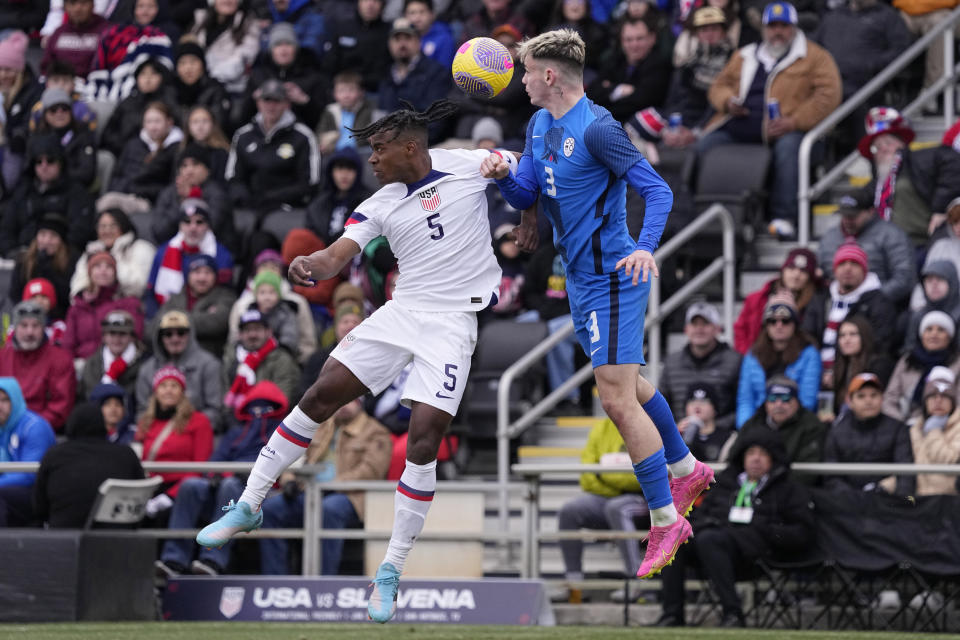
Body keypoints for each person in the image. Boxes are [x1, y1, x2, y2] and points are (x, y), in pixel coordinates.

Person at [195, 100, 526, 622]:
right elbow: (336, 255)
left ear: (410, 147)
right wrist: (307, 263)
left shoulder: (468, 163)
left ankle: (390, 569)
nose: (371, 159)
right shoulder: (382, 202)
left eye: (379, 148)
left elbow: (530, 175)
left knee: (423, 438)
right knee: (319, 394)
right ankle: (249, 503)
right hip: (403, 312)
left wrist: (518, 202)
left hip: (452, 324)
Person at [481, 28, 714, 583]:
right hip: (580, 278)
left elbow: (658, 191)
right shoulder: (539, 124)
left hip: (614, 274)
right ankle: (686, 467)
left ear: (550, 76)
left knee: (613, 398)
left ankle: (665, 519)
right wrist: (503, 177)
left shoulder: (598, 127)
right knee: (629, 385)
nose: (522, 81)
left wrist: (643, 248)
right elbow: (529, 195)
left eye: (527, 72)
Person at [697, 1, 842, 239]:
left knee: (789, 149)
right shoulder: (745, 55)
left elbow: (829, 96)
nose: (777, 32)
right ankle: (701, 215)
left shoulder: (815, 57)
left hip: (790, 130)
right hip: (738, 125)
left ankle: (784, 217)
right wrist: (728, 102)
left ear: (794, 27)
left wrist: (795, 121)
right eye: (772, 26)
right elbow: (718, 86)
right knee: (705, 146)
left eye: (783, 26)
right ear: (763, 28)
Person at [654, 428, 816, 628]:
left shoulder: (788, 490)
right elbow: (700, 515)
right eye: (751, 453)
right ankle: (672, 615)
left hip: (759, 555)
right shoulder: (726, 484)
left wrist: (765, 529)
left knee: (709, 540)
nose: (756, 459)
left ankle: (733, 614)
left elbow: (802, 533)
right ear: (742, 456)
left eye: (763, 454)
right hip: (714, 551)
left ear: (774, 458)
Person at [155, 380, 287, 577]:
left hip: (260, 493)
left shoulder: (281, 433)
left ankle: (213, 559)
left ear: (277, 408)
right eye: (255, 407)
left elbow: (283, 465)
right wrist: (215, 474)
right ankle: (174, 559)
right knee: (191, 485)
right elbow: (216, 460)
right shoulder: (236, 433)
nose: (259, 412)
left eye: (266, 407)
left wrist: (248, 476)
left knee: (230, 485)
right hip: (228, 489)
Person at [259, 398, 392, 575]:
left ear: (360, 403)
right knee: (271, 510)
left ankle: (322, 581)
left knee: (329, 510)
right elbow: (293, 455)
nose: (344, 404)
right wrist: (289, 479)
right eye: (342, 399)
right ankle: (275, 581)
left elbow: (372, 471)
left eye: (352, 400)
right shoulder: (319, 425)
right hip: (310, 490)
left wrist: (333, 485)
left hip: (351, 495)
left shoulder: (376, 432)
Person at [554, 417, 649, 603]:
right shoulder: (601, 428)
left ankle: (636, 582)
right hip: (607, 497)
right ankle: (575, 587)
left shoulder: (648, 425)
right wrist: (617, 482)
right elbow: (587, 476)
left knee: (617, 508)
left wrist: (605, 475)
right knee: (569, 511)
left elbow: (645, 476)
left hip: (644, 498)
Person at [226, 78, 320, 246]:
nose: (271, 106)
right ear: (258, 103)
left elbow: (309, 183)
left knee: (262, 237)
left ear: (287, 104)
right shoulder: (243, 135)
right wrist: (244, 197)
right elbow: (234, 177)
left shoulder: (303, 136)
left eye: (277, 100)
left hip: (287, 206)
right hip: (250, 204)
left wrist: (272, 198)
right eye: (267, 100)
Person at [857, 107, 960, 249]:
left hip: (923, 243)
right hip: (889, 247)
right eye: (877, 147)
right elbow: (858, 200)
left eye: (888, 142)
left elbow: (953, 163)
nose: (883, 149)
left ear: (902, 143)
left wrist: (940, 209)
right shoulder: (879, 182)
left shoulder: (920, 159)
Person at [33, 403, 145, 528]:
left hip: (64, 537)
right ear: (102, 424)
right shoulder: (127, 455)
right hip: (119, 537)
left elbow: (39, 506)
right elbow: (142, 497)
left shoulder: (54, 455)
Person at [137, 365, 214, 521]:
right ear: (156, 391)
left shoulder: (199, 421)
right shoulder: (146, 422)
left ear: (182, 392)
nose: (169, 390)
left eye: (174, 385)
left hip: (181, 490)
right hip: (150, 489)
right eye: (163, 385)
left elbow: (201, 467)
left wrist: (170, 496)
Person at [804, 240, 896, 371]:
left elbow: (879, 346)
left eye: (854, 263)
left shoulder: (879, 303)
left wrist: (838, 372)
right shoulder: (821, 298)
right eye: (842, 263)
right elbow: (807, 335)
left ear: (864, 270)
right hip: (817, 371)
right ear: (835, 270)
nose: (848, 268)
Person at [0, 135, 95, 258]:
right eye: (38, 161)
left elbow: (80, 231)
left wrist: (55, 252)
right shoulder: (23, 192)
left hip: (60, 259)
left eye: (50, 160)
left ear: (60, 163)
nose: (44, 166)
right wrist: (11, 251)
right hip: (21, 257)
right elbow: (6, 229)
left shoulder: (77, 192)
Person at [817, 189, 917, 305]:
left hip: (880, 308)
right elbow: (821, 273)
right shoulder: (830, 237)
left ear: (870, 212)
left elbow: (904, 279)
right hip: (837, 303)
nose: (847, 220)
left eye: (853, 216)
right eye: (844, 215)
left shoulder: (891, 235)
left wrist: (869, 301)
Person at [826, 372, 915, 496]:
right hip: (847, 504)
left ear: (882, 398)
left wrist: (901, 502)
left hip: (887, 502)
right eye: (861, 396)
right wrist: (853, 497)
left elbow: (906, 474)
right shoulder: (837, 431)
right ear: (850, 401)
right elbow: (831, 476)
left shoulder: (898, 429)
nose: (868, 401)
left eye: (874, 395)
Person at [144, 196, 234, 318]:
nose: (193, 228)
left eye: (199, 222)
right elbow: (151, 292)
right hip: (167, 317)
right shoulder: (164, 251)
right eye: (187, 221)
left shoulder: (222, 255)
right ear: (180, 225)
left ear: (208, 225)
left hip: (205, 318)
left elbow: (224, 294)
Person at [736, 296, 820, 427]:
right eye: (772, 321)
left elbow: (807, 400)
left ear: (795, 324)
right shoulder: (753, 355)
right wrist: (745, 429)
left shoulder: (809, 353)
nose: (779, 325)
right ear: (766, 326)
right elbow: (746, 400)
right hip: (759, 424)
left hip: (796, 425)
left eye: (785, 321)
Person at [135, 310, 223, 431]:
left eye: (181, 333)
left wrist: (182, 429)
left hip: (195, 434)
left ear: (190, 335)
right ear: (160, 337)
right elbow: (142, 412)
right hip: (158, 435)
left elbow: (215, 411)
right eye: (168, 334)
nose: (175, 339)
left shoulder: (209, 364)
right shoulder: (148, 369)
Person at [661, 302, 742, 432]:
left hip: (722, 438)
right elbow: (662, 405)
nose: (699, 329)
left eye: (705, 324)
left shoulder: (735, 361)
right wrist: (675, 428)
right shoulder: (671, 363)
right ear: (686, 329)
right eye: (694, 324)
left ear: (717, 329)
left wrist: (713, 428)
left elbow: (742, 407)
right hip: (680, 438)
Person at [0, 302, 76, 432]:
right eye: (24, 325)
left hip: (42, 430)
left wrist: (30, 428)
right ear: (15, 328)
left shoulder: (60, 359)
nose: (29, 332)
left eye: (35, 326)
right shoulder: (2, 357)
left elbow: (61, 406)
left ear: (44, 328)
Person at [735, 247, 823, 354]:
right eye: (791, 268)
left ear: (810, 277)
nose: (796, 275)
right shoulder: (755, 299)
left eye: (803, 271)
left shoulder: (817, 301)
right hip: (760, 360)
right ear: (783, 271)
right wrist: (749, 359)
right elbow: (740, 331)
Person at [378, 18, 452, 144]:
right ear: (390, 45)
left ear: (419, 42)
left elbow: (436, 120)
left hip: (426, 146)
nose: (402, 44)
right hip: (392, 146)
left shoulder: (436, 73)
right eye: (397, 39)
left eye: (407, 38)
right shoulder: (386, 75)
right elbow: (381, 115)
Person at [243, 21, 327, 130]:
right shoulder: (258, 76)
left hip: (300, 136)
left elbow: (323, 120)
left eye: (288, 44)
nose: (283, 50)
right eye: (278, 45)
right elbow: (242, 118)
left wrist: (305, 101)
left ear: (295, 49)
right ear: (271, 50)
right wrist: (255, 99)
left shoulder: (312, 77)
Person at [588, 16, 671, 125]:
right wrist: (618, 90)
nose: (634, 45)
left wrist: (608, 92)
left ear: (652, 38)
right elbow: (591, 93)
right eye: (628, 40)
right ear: (622, 41)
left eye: (640, 38)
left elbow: (641, 102)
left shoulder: (659, 65)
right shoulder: (615, 61)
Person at [733, 375, 825, 473]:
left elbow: (807, 470)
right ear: (766, 403)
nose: (779, 404)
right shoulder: (752, 424)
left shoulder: (812, 426)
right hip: (754, 484)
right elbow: (734, 458)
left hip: (792, 486)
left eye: (785, 399)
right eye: (773, 398)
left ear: (796, 402)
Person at [152, 254, 237, 359]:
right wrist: (202, 316)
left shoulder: (226, 297)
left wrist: (174, 320)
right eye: (197, 272)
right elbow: (156, 324)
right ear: (188, 275)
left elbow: (216, 324)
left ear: (215, 276)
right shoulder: (175, 298)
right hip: (171, 359)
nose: (202, 278)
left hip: (208, 358)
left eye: (207, 272)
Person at [883, 311, 960, 423]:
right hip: (904, 421)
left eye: (941, 330)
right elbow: (890, 398)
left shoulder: (957, 363)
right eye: (929, 329)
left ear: (949, 337)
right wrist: (901, 424)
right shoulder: (908, 360)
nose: (934, 334)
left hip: (946, 423)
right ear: (921, 335)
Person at [0, 378, 56, 527]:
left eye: (5, 400)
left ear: (16, 399)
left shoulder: (34, 427)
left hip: (36, 494)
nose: (0, 406)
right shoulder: (3, 427)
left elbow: (29, 474)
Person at [223, 309, 301, 413]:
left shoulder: (281, 358)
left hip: (271, 419)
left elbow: (284, 397)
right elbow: (223, 397)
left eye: (257, 329)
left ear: (268, 332)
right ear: (240, 335)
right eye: (247, 330)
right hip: (236, 420)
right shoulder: (231, 358)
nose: (252, 335)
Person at [71, 209, 157, 300]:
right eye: (102, 226)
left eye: (113, 226)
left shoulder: (142, 248)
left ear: (123, 227)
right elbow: (77, 287)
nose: (107, 231)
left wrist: (114, 257)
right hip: (94, 307)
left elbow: (141, 285)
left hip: (130, 306)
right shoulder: (92, 251)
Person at [6, 214, 78, 322]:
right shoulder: (24, 262)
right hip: (27, 319)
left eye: (53, 236)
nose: (47, 241)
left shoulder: (71, 262)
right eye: (43, 234)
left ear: (61, 241)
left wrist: (49, 270)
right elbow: (15, 294)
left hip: (60, 319)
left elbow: (69, 295)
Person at [187, 0, 261, 94]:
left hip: (232, 88)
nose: (228, 1)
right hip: (199, 85)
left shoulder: (248, 23)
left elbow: (244, 56)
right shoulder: (200, 20)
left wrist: (211, 75)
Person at [30, 87, 98, 189]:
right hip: (39, 192)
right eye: (53, 109)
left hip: (74, 191)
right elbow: (27, 171)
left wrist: (56, 177)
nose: (59, 113)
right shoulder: (36, 137)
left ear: (71, 111)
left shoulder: (83, 134)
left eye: (64, 108)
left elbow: (87, 173)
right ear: (45, 114)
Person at [828, 316, 894, 420]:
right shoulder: (842, 367)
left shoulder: (879, 365)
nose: (847, 339)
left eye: (853, 334)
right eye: (842, 335)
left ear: (864, 336)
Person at [321, 0, 391, 93]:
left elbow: (385, 70)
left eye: (375, 1)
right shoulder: (342, 27)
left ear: (382, 5)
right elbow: (330, 63)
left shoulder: (389, 32)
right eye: (366, 1)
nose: (370, 5)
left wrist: (360, 83)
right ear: (358, 3)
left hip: (373, 90)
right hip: (341, 88)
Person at [908, 371, 960, 496]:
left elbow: (949, 461)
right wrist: (884, 486)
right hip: (919, 499)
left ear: (953, 402)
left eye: (944, 396)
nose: (938, 401)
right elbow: (907, 467)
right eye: (932, 396)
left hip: (948, 500)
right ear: (925, 401)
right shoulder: (915, 429)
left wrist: (933, 431)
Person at [316, 70, 382, 156]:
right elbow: (320, 133)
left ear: (361, 92)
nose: (346, 95)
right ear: (334, 94)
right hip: (334, 155)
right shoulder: (330, 111)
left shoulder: (369, 111)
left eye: (351, 90)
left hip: (361, 154)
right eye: (341, 91)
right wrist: (325, 141)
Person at [40, 0, 110, 79]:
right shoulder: (58, 33)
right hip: (59, 85)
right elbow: (46, 67)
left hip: (95, 86)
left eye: (83, 3)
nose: (78, 8)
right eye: (72, 3)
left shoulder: (108, 32)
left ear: (93, 5)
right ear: (65, 7)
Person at [404, 0, 455, 66]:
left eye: (422, 12)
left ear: (432, 14)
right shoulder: (401, 38)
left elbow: (444, 71)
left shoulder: (444, 38)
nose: (417, 18)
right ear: (405, 16)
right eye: (412, 13)